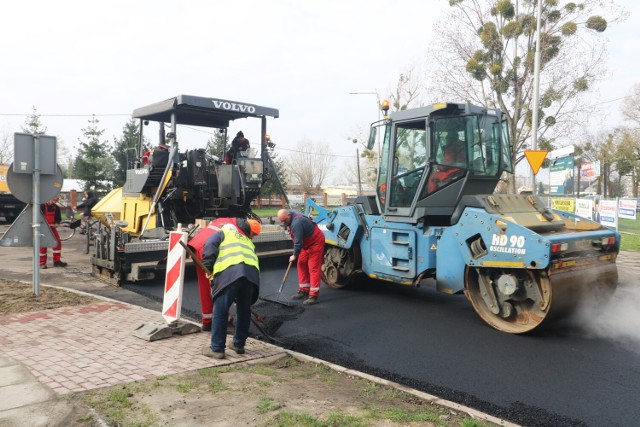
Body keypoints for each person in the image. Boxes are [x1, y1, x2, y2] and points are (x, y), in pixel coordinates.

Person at [201, 218, 262, 359]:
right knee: (243, 310)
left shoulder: (224, 232)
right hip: (251, 277)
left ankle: (216, 348)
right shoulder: (246, 241)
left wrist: (208, 266)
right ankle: (239, 345)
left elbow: (209, 245)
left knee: (220, 310)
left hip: (230, 275)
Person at [187, 217, 239, 331]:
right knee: (220, 289)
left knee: (205, 288)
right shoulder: (238, 233)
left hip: (197, 247)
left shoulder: (227, 220)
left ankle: (207, 321)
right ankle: (224, 320)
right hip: (207, 251)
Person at [277, 208, 325, 305]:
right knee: (301, 263)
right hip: (305, 244)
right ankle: (304, 290)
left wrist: (294, 255)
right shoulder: (290, 217)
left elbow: (298, 242)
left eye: (285, 221)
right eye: (282, 222)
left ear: (288, 215)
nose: (284, 223)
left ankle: (313, 295)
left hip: (315, 242)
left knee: (313, 268)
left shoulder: (296, 223)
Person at [39, 196, 67, 269]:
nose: (56, 201)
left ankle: (57, 261)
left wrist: (56, 224)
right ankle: (42, 263)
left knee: (57, 243)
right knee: (43, 246)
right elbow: (38, 218)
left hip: (52, 229)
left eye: (57, 200)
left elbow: (58, 219)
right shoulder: (42, 206)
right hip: (43, 229)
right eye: (55, 199)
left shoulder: (56, 208)